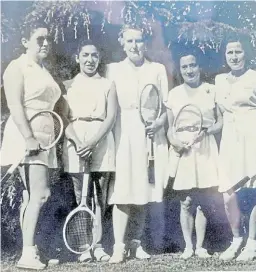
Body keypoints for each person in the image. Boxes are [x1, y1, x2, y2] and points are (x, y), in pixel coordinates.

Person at [106, 24, 169, 263]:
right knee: (123, 190)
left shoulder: (158, 69)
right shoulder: (113, 70)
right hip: (123, 133)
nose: (135, 46)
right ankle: (118, 247)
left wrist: (159, 124)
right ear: (122, 43)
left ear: (145, 43)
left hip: (150, 134)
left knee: (144, 189)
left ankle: (136, 243)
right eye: (130, 41)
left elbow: (166, 107)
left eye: (139, 40)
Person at [1, 22, 61, 269]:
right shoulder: (17, 67)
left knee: (33, 196)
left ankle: (32, 249)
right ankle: (26, 255)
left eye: (48, 39)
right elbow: (15, 106)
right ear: (25, 42)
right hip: (28, 136)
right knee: (40, 194)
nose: (46, 43)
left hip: (46, 139)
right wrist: (28, 138)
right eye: (39, 39)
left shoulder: (43, 69)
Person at [216, 35, 256, 261]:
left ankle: (251, 244)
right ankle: (236, 239)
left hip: (253, 136)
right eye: (230, 52)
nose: (234, 56)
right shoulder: (219, 80)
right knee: (227, 193)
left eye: (238, 52)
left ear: (246, 54)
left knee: (253, 191)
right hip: (229, 139)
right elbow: (220, 118)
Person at [61, 39, 117, 262]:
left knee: (99, 196)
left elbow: (111, 117)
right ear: (77, 58)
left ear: (99, 59)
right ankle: (84, 246)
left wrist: (93, 141)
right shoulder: (67, 85)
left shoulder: (108, 84)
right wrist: (76, 141)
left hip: (101, 138)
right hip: (75, 140)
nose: (90, 60)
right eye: (85, 55)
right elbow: (63, 119)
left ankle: (99, 244)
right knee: (80, 195)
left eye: (94, 55)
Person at [166, 50, 223, 259]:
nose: (189, 70)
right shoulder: (174, 94)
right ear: (180, 70)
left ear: (199, 67)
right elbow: (170, 128)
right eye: (184, 67)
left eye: (193, 65)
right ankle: (188, 246)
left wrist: (206, 131)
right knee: (186, 201)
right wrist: (176, 143)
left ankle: (200, 246)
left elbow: (220, 121)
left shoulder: (211, 90)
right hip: (183, 149)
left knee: (202, 201)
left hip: (205, 147)